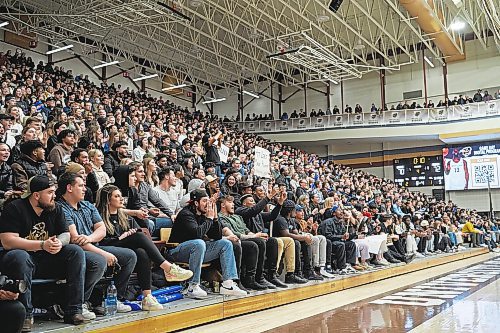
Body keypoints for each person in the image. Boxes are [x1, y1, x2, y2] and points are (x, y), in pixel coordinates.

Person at [0, 175, 90, 330]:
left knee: (75, 251)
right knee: (19, 255)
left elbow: (66, 234)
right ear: (36, 195)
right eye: (50, 192)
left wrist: (58, 243)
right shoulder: (15, 208)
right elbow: (7, 241)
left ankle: (74, 310)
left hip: (47, 258)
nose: (54, 196)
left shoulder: (55, 208)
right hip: (20, 261)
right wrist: (42, 244)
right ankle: (26, 315)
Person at [95, 184, 193, 310]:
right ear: (108, 200)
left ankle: (147, 297)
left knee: (142, 252)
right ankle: (168, 268)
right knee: (139, 238)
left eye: (121, 196)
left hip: (124, 248)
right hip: (106, 247)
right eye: (117, 196)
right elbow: (101, 241)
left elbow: (137, 231)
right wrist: (121, 238)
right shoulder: (99, 217)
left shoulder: (125, 217)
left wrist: (129, 235)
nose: (121, 199)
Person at [57, 172, 136, 313]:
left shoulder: (87, 205)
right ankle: (79, 302)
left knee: (130, 256)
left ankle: (113, 298)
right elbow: (75, 239)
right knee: (99, 261)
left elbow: (102, 229)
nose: (85, 189)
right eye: (80, 186)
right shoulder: (60, 208)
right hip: (74, 250)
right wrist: (103, 253)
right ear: (69, 188)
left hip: (92, 244)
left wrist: (89, 238)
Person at [168, 189, 247, 298]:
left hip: (197, 252)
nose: (207, 204)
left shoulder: (204, 215)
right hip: (176, 251)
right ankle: (193, 286)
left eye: (208, 201)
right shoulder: (185, 214)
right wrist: (209, 219)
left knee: (225, 243)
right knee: (199, 243)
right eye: (204, 201)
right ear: (196, 203)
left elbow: (217, 236)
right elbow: (197, 234)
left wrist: (214, 219)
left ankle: (228, 285)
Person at [236, 188, 305, 285]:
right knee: (272, 241)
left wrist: (280, 203)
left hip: (261, 239)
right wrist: (269, 196)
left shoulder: (258, 214)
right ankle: (265, 276)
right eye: (251, 201)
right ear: (244, 203)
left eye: (254, 201)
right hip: (251, 239)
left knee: (286, 241)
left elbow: (272, 216)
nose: (254, 202)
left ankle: (286, 274)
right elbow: (253, 210)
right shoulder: (241, 211)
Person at [218, 195, 276, 290]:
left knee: (270, 241)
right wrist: (254, 236)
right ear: (223, 205)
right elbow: (234, 234)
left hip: (244, 238)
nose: (233, 205)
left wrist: (256, 234)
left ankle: (261, 277)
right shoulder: (220, 217)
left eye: (233, 202)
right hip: (233, 240)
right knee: (253, 244)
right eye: (230, 202)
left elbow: (245, 230)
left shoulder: (237, 216)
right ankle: (248, 279)